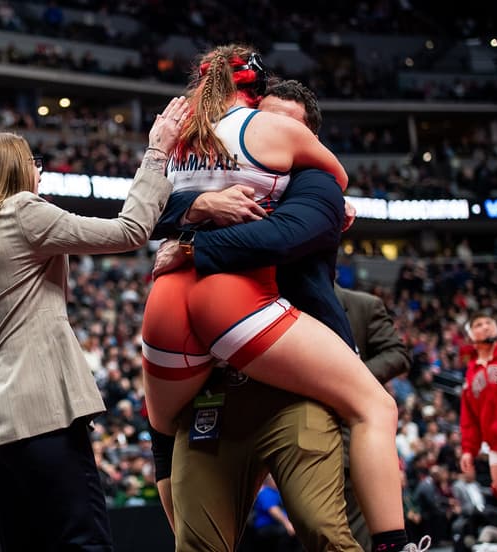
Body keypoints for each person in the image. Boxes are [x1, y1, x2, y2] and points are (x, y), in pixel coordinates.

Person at [141, 44, 411, 551]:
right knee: (376, 407)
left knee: (322, 530)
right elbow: (328, 184)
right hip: (239, 325)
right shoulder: (284, 150)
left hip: (198, 318)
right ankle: (394, 542)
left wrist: (193, 233)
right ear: (256, 99)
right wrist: (201, 204)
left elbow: (139, 216)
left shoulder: (178, 136)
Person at [0, 96, 189, 551]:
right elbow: (129, 231)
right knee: (84, 543)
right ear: (14, 170)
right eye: (31, 161)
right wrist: (157, 155)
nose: (38, 169)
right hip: (39, 417)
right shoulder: (21, 211)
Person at [336, 284, 412, 551]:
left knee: (357, 532)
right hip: (294, 436)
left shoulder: (362, 305)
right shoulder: (281, 301)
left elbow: (397, 354)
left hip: (347, 436)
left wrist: (348, 379)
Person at [459, 312, 497, 551]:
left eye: (489, 323)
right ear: (471, 335)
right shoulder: (471, 372)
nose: (485, 327)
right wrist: (468, 450)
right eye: (478, 324)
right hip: (495, 446)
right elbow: (469, 418)